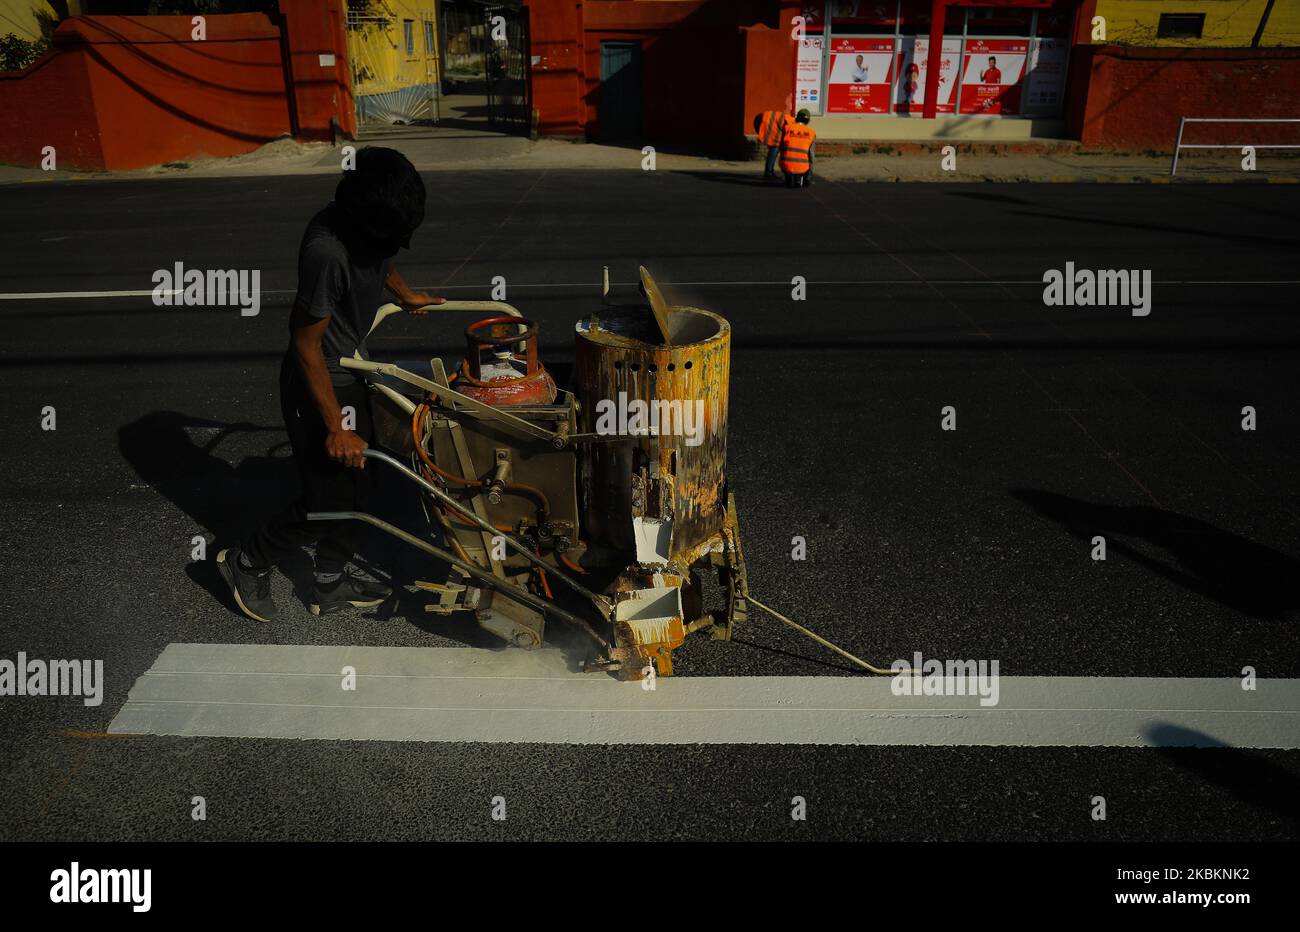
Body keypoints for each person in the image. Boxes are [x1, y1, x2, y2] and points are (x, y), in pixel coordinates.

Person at [217, 147, 443, 623]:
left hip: (350, 369)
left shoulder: (369, 228)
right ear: (362, 222)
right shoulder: (327, 253)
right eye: (392, 236)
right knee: (329, 500)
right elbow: (304, 345)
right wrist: (335, 426)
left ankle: (328, 582)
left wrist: (405, 294)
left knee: (363, 487)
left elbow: (382, 258)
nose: (397, 246)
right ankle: (247, 559)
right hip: (320, 381)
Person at [779, 109, 816, 188]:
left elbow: (781, 146)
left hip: (785, 165)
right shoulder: (811, 133)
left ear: (797, 118)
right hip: (802, 166)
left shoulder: (786, 128)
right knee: (801, 175)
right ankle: (801, 179)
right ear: (808, 120)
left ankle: (788, 176)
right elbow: (811, 156)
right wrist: (809, 176)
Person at [753, 109, 792, 180]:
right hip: (764, 121)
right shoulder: (791, 126)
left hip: (762, 118)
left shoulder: (790, 121)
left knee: (776, 146)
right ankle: (769, 172)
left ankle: (769, 171)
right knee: (775, 146)